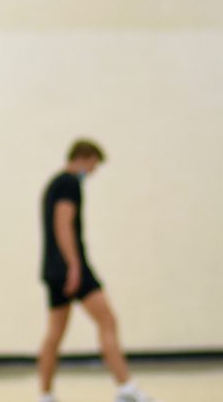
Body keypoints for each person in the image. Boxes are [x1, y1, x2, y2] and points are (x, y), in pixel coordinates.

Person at [37, 139, 158, 402]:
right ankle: (126, 388)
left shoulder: (55, 183)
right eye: (93, 166)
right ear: (85, 157)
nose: (92, 172)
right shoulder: (70, 183)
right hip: (71, 268)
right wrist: (74, 267)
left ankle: (45, 395)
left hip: (53, 268)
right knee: (108, 320)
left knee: (55, 334)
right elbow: (63, 224)